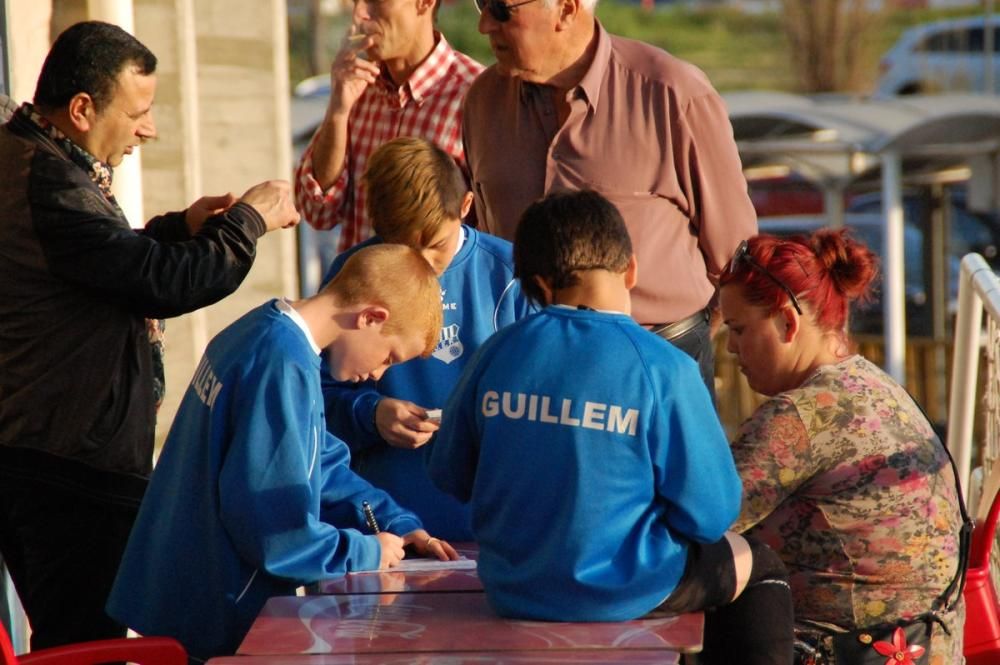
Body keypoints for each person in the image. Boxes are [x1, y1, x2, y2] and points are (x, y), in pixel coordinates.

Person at [0, 21, 299, 651]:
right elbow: (161, 282)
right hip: (66, 465)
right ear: (81, 109)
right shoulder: (45, 180)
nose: (149, 129)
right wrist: (248, 221)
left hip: (54, 455)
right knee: (84, 648)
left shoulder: (41, 159)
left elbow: (105, 262)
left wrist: (181, 225)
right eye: (137, 112)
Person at [428, 190, 794, 665]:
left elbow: (448, 474)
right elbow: (712, 514)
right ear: (632, 270)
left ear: (537, 283)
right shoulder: (663, 367)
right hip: (627, 588)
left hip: (512, 587)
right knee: (761, 566)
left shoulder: (497, 351)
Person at [107, 244, 459, 662]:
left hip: (189, 596)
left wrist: (394, 523)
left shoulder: (266, 331)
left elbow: (318, 460)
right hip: (214, 617)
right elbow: (276, 535)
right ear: (371, 316)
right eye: (388, 356)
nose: (379, 374)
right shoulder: (282, 362)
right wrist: (365, 550)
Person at [461, 0, 757, 397]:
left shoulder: (673, 93)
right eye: (481, 4)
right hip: (528, 368)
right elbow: (481, 243)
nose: (483, 25)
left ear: (566, 8)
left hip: (658, 364)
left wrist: (686, 341)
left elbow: (736, 257)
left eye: (500, 9)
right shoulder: (481, 102)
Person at [719, 230, 966, 664]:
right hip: (930, 648)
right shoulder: (878, 387)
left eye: (738, 329)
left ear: (787, 322)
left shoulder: (803, 416)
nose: (730, 347)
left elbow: (696, 523)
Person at [321, 137, 531, 540]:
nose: (421, 264)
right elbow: (317, 399)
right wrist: (371, 414)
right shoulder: (356, 271)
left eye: (435, 245)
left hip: (491, 523)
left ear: (466, 207)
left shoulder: (510, 274)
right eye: (401, 247)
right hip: (385, 522)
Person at [293, 0, 483, 254]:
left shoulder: (476, 96)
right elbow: (316, 212)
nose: (359, 15)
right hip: (356, 288)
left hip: (435, 291)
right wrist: (338, 111)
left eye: (375, 1)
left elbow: (491, 236)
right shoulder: (357, 86)